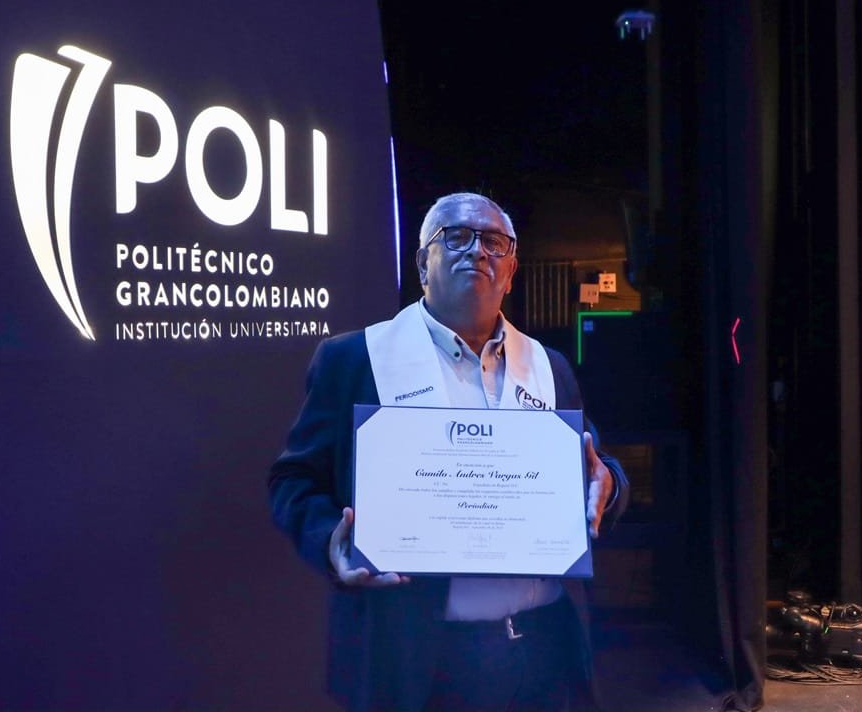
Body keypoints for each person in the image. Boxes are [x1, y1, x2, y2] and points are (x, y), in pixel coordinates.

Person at [269, 192, 629, 712]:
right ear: (423, 264)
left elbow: (594, 465)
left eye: (495, 242)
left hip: (545, 655)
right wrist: (331, 542)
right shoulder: (356, 359)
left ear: (511, 270)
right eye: (456, 237)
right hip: (417, 660)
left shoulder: (549, 365)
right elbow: (294, 481)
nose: (477, 250)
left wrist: (609, 485)